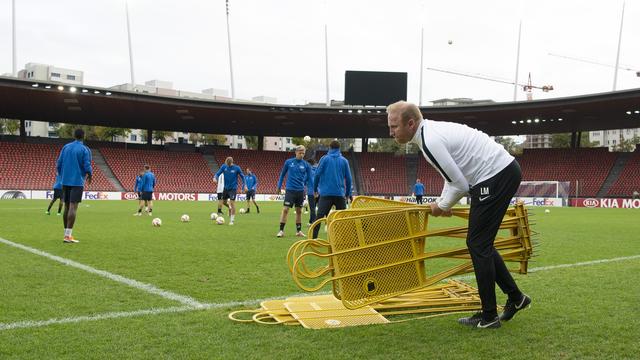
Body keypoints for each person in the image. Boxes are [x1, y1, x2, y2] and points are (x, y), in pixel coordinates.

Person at [387, 100, 530, 329]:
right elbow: (451, 177)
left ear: (410, 123)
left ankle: (489, 316)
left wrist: (441, 206)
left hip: (496, 174)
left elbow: (460, 184)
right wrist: (445, 202)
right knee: (481, 243)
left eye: (394, 126)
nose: (391, 132)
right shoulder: (428, 135)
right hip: (498, 173)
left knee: (477, 244)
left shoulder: (430, 140)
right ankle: (515, 298)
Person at [56, 128, 92, 243]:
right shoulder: (84, 149)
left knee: (66, 206)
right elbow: (86, 165)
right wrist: (90, 174)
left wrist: (62, 175)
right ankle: (68, 236)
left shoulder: (66, 147)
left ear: (74, 135)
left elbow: (59, 163)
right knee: (73, 206)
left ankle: (65, 234)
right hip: (77, 181)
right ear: (83, 136)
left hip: (65, 181)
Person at [312, 140, 352, 239]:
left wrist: (315, 189)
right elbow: (349, 179)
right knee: (342, 219)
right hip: (339, 194)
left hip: (326, 194)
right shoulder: (344, 161)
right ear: (339, 149)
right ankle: (343, 239)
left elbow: (317, 175)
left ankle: (313, 239)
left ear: (329, 148)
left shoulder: (324, 159)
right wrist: (347, 194)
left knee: (319, 217)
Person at [276, 145, 313, 237]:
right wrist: (279, 186)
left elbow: (310, 179)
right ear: (296, 152)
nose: (301, 154)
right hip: (290, 190)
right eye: (300, 152)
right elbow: (282, 174)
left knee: (299, 211)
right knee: (285, 209)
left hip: (300, 191)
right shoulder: (288, 162)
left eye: (303, 153)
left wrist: (313, 189)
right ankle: (281, 230)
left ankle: (298, 231)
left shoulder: (306, 165)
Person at [214, 157, 245, 225]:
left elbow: (243, 177)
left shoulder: (237, 168)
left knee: (232, 203)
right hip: (225, 188)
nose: (227, 165)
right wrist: (215, 178)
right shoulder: (224, 166)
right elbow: (217, 173)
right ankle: (230, 207)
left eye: (228, 164)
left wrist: (244, 186)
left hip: (233, 189)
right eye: (226, 164)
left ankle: (232, 220)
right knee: (223, 202)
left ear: (231, 162)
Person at [305, 158, 317, 225]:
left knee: (312, 208)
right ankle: (310, 221)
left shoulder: (308, 171)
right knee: (315, 208)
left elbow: (304, 180)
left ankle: (314, 222)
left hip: (311, 192)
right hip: (319, 192)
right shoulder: (318, 170)